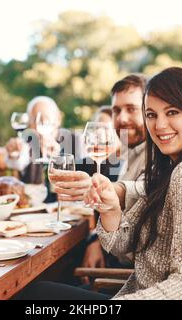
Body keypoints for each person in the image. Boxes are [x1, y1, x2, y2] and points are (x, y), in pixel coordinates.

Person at [21, 67, 182, 300]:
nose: (159, 126)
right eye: (151, 114)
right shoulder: (171, 169)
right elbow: (122, 243)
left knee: (35, 294)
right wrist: (110, 208)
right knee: (40, 291)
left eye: (172, 112)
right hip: (140, 291)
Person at [77, 75, 149, 282]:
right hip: (117, 267)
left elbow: (142, 190)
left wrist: (114, 191)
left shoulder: (158, 157)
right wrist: (95, 240)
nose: (122, 118)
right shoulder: (129, 153)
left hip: (130, 282)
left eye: (131, 108)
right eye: (116, 110)